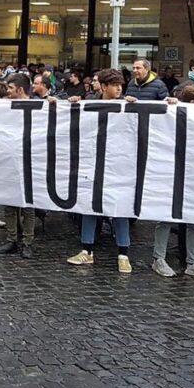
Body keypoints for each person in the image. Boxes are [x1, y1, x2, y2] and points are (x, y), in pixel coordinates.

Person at [66, 69, 133, 274]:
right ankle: (87, 250)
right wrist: (69, 101)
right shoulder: (88, 103)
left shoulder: (128, 106)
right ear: (103, 87)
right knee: (90, 206)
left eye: (120, 84)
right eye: (114, 85)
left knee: (120, 208)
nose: (119, 88)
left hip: (119, 164)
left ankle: (123, 254)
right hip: (93, 161)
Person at [153, 84, 194, 281]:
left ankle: (193, 263)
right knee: (167, 215)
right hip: (174, 170)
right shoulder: (176, 113)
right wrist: (171, 104)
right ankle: (158, 259)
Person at [0, 74, 37, 259]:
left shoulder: (39, 106)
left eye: (10, 88)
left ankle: (27, 242)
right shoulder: (4, 106)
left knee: (28, 206)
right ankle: (12, 240)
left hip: (31, 162)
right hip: (10, 160)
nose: (7, 92)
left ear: (20, 90)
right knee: (10, 204)